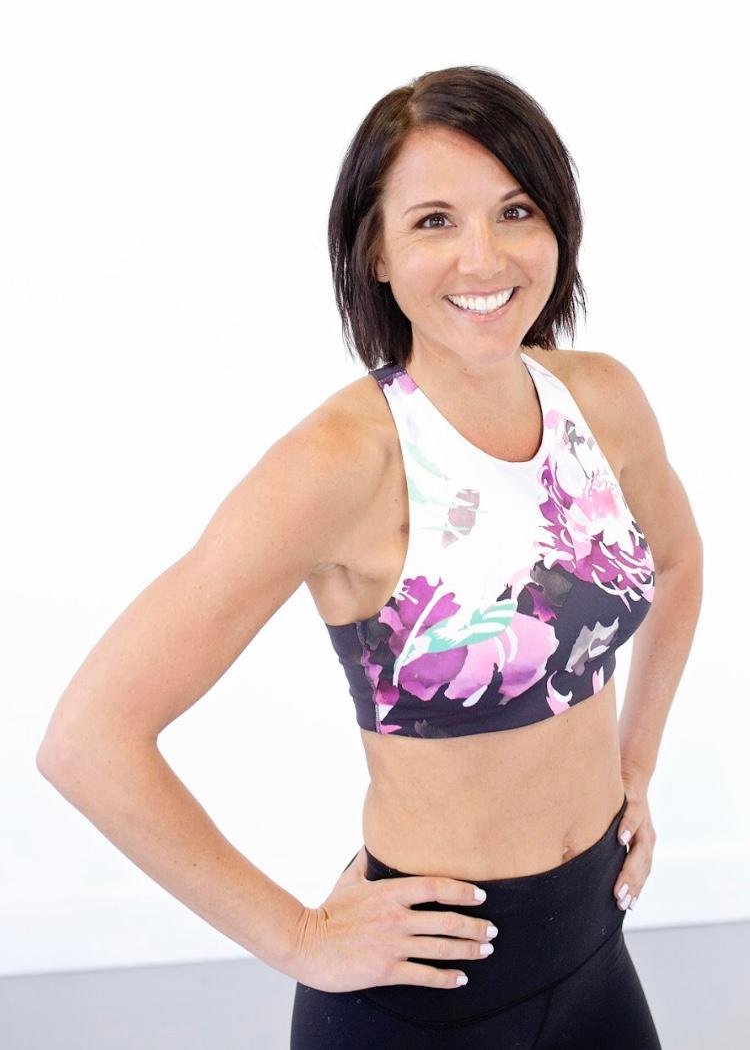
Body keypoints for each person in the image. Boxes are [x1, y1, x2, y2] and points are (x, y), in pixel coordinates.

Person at [36, 66, 702, 1048]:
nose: (484, 255)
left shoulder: (600, 401)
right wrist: (300, 938)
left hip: (598, 947)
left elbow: (680, 564)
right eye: (434, 220)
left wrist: (635, 768)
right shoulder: (341, 462)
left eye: (515, 209)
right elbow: (88, 740)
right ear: (377, 253)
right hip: (424, 996)